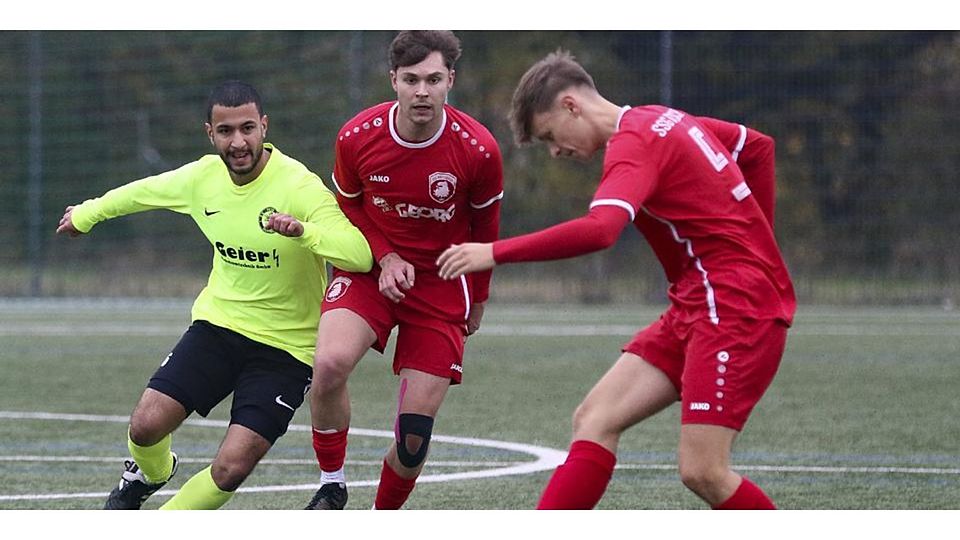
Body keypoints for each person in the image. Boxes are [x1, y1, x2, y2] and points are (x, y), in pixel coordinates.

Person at [437, 50, 795, 510]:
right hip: (701, 301)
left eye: (550, 135)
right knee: (595, 417)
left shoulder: (634, 143)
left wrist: (492, 252)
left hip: (734, 307)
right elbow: (756, 146)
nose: (556, 151)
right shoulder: (661, 118)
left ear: (571, 106)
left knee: (704, 470)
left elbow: (601, 230)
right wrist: (758, 248)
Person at [55, 80, 373, 510]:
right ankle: (150, 473)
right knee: (145, 426)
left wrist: (305, 232)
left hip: (287, 348)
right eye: (226, 131)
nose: (238, 142)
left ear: (264, 126)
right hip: (218, 327)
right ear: (211, 133)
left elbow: (360, 255)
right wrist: (86, 215)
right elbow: (139, 194)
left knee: (231, 466)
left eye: (247, 128)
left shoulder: (299, 186)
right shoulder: (201, 178)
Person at [304, 31, 503, 510]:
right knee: (328, 364)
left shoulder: (478, 149)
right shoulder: (356, 136)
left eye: (434, 79)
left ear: (450, 80)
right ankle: (332, 485)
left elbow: (485, 230)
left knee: (414, 439)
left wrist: (479, 300)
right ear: (393, 80)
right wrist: (385, 256)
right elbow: (347, 209)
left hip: (440, 286)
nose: (422, 91)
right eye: (411, 79)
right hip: (370, 272)